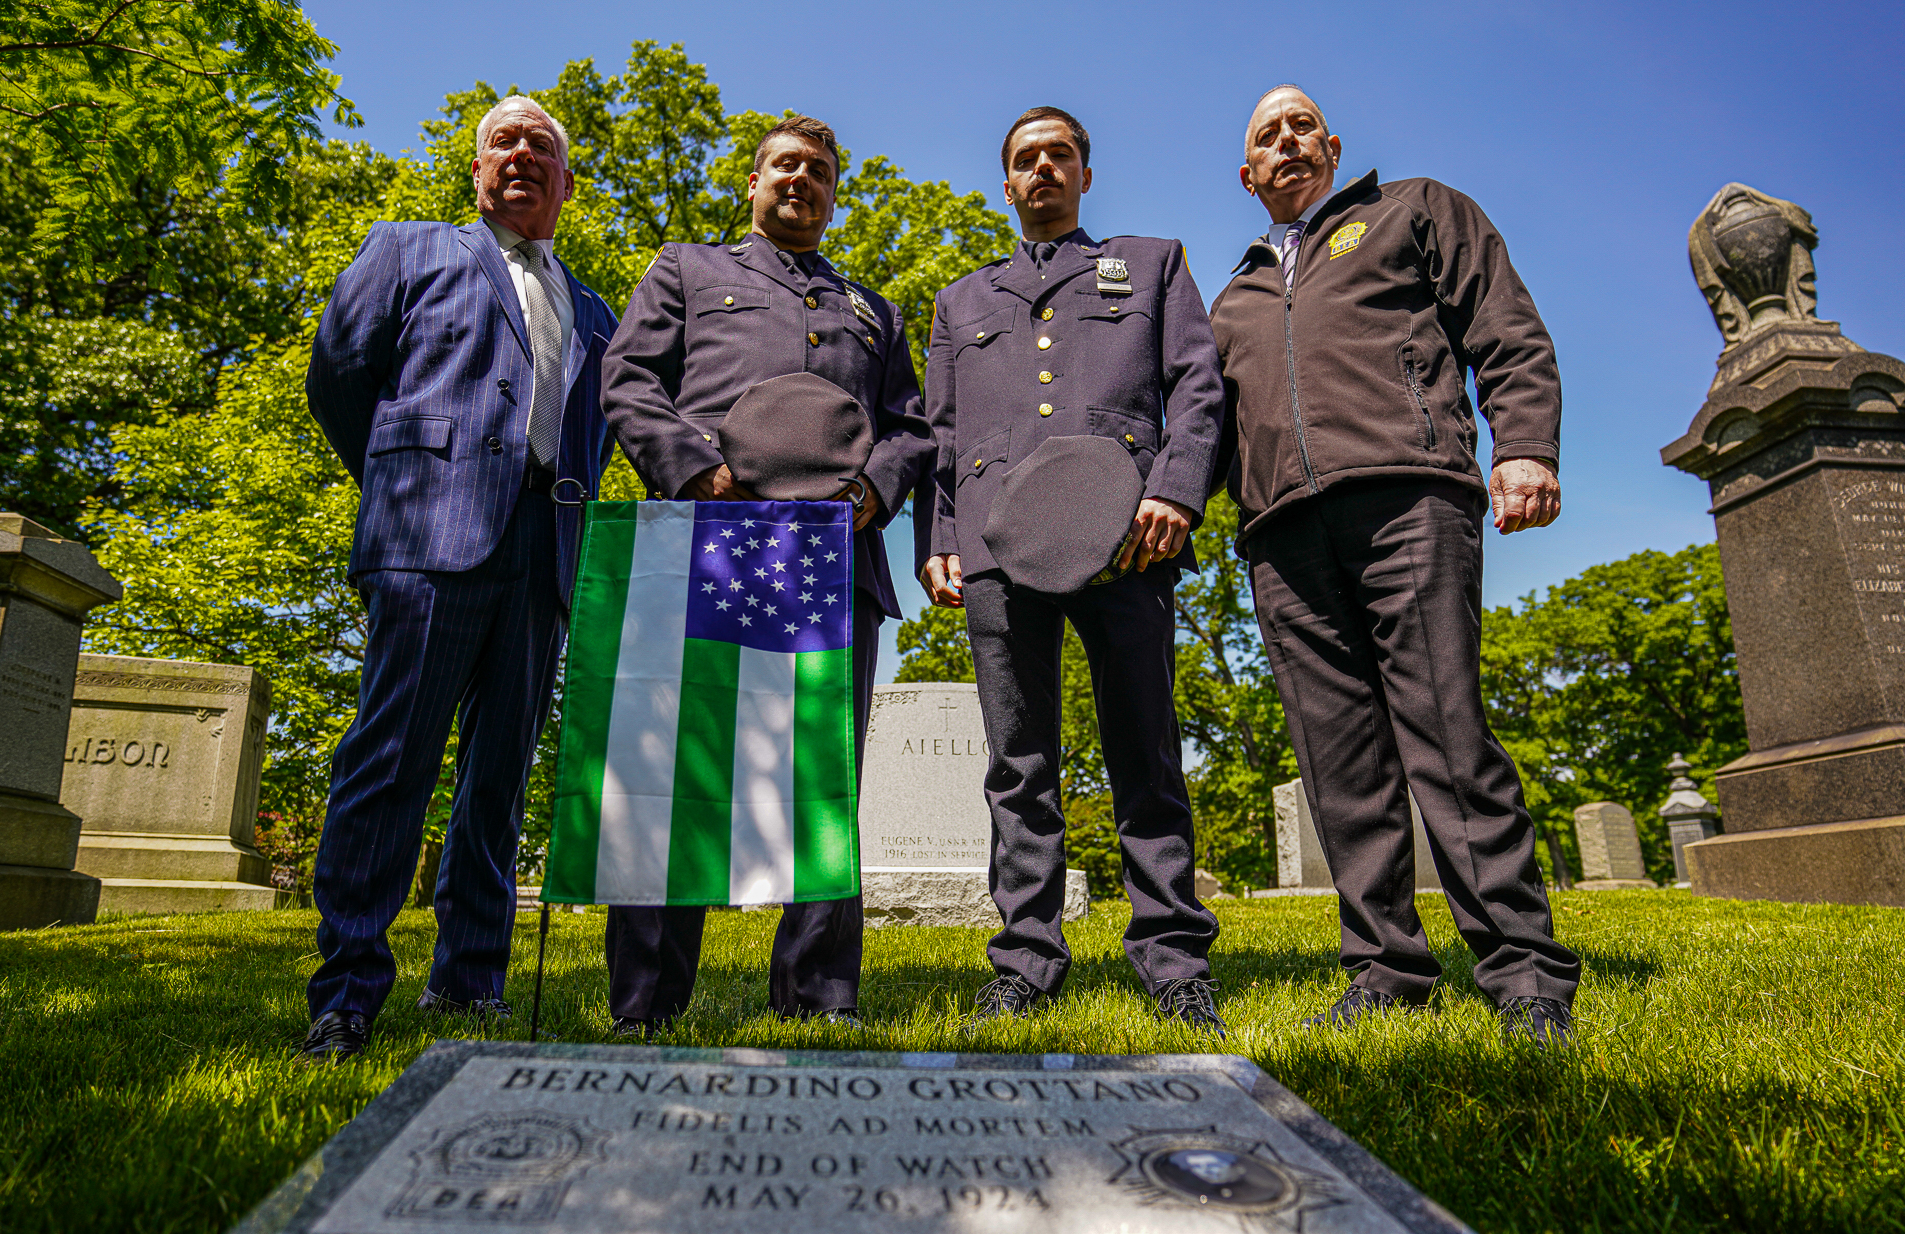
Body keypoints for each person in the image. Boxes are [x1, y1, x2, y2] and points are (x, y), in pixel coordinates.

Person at [1209, 85, 1581, 1044]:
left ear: (1332, 145)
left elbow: (1505, 331)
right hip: (1282, 535)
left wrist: (1525, 447)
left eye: (1301, 126)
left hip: (1409, 498)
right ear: (1246, 176)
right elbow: (1203, 440)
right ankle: (1385, 968)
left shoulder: (1414, 209)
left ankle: (1523, 970)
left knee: (1448, 737)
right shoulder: (1232, 299)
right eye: (1266, 137)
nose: (1287, 142)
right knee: (1339, 765)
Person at [296, 96, 617, 1061]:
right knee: (391, 757)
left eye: (542, 148)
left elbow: (599, 436)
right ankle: (347, 991)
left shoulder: (594, 309)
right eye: (502, 145)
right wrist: (410, 478)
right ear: (476, 172)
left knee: (499, 779)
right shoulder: (407, 249)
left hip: (543, 553)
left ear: (567, 181)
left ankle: (470, 980)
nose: (520, 156)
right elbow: (339, 376)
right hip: (428, 536)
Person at [598, 115, 933, 1033]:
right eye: (786, 166)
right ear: (752, 183)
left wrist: (874, 491)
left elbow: (911, 427)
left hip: (834, 552)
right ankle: (647, 1003)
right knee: (676, 777)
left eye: (820, 171)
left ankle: (819, 998)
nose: (803, 180)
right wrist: (692, 473)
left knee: (821, 783)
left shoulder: (874, 310)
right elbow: (627, 379)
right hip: (709, 536)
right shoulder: (687, 269)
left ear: (833, 193)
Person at [920, 107, 1227, 1033]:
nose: (1044, 167)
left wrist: (1174, 489)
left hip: (1124, 535)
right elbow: (940, 432)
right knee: (1018, 763)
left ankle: (1173, 958)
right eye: (1025, 159)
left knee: (1146, 748)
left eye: (1060, 154)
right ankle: (1025, 959)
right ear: (1006, 186)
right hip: (996, 543)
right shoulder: (960, 298)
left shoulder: (1155, 261)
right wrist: (940, 536)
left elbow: (1200, 387)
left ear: (1084, 175)